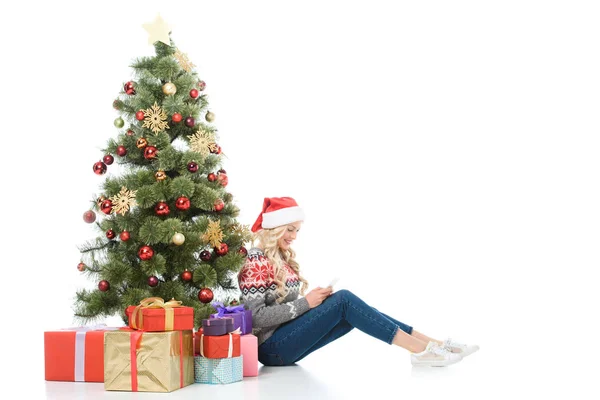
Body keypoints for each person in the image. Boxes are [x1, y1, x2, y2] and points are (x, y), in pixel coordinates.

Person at [238, 197, 479, 367]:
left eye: (297, 231)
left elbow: (289, 311)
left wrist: (315, 300)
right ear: (275, 228)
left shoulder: (280, 257)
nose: (293, 236)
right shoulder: (255, 260)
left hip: (284, 342)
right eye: (289, 229)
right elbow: (255, 317)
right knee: (345, 300)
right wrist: (306, 304)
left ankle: (433, 344)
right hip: (270, 349)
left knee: (353, 308)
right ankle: (422, 351)